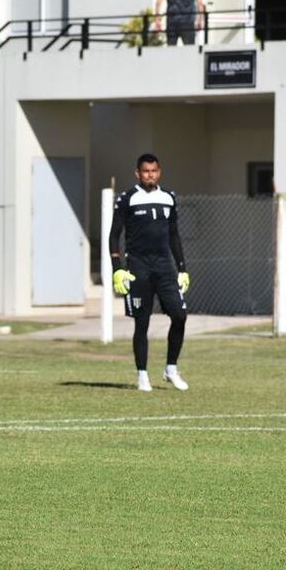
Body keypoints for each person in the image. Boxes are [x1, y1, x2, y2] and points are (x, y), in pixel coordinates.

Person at [109, 153, 190, 392]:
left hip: (165, 268)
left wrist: (182, 269)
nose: (150, 175)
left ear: (159, 172)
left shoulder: (169, 197)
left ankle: (171, 369)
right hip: (138, 269)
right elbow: (114, 235)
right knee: (142, 322)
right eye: (145, 171)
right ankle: (142, 374)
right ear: (138, 173)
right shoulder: (127, 199)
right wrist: (118, 270)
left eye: (153, 171)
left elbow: (174, 235)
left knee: (180, 316)